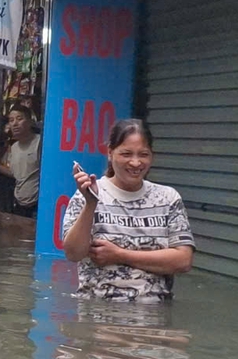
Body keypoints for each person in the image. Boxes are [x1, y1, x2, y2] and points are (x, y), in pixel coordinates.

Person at [62, 119, 194, 302]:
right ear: (110, 153)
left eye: (143, 154)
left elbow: (183, 261)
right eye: (126, 154)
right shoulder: (86, 196)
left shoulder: (168, 198)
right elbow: (73, 253)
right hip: (98, 315)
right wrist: (91, 204)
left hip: (155, 318)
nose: (135, 162)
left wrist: (120, 255)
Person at [0, 102, 42, 218]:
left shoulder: (40, 143)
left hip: (38, 205)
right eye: (11, 120)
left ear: (29, 122)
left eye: (19, 119)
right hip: (19, 204)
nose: (15, 124)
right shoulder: (14, 147)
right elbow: (16, 173)